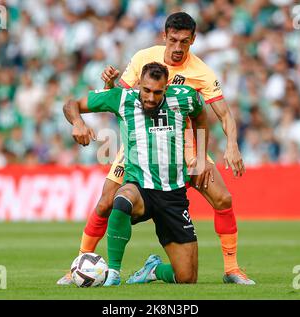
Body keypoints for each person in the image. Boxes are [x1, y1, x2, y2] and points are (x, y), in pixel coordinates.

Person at [58, 12, 255, 286]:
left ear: (193, 41)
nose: (177, 47)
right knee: (106, 202)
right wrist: (106, 87)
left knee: (223, 198)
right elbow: (120, 97)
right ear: (164, 36)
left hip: (183, 143)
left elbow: (220, 114)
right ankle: (80, 265)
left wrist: (220, 149)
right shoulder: (143, 59)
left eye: (184, 42)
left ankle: (232, 268)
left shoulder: (202, 72)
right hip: (139, 143)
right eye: (173, 40)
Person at [63, 62, 209, 285]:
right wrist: (77, 122)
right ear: (139, 84)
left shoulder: (185, 97)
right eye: (147, 90)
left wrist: (200, 160)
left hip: (173, 196)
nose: (151, 97)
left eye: (158, 92)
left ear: (166, 88)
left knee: (187, 277)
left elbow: (200, 116)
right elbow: (71, 104)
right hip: (140, 188)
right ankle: (113, 273)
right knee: (122, 198)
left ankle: (153, 270)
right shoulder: (122, 98)